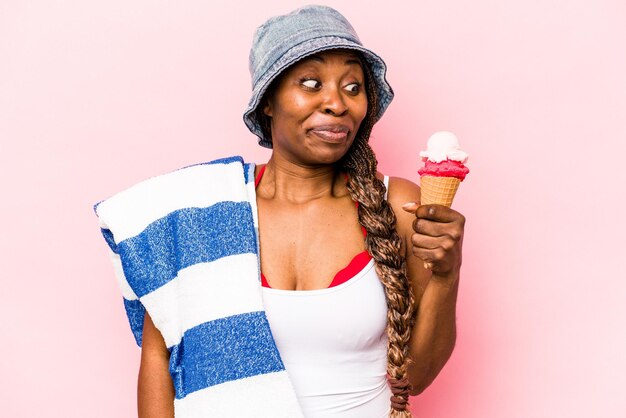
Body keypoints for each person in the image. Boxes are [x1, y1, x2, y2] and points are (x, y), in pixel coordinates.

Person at [108, 5, 464, 418]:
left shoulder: (398, 205)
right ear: (268, 103)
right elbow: (159, 359)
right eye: (311, 83)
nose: (337, 103)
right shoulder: (197, 210)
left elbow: (415, 377)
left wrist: (447, 272)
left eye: (353, 87)